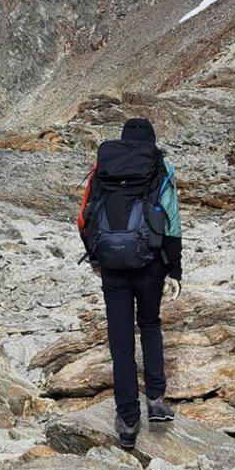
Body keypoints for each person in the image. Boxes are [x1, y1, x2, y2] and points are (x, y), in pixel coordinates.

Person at [77, 117, 182, 449]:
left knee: (120, 340)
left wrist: (96, 257)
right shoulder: (160, 166)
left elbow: (85, 216)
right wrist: (174, 269)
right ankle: (155, 400)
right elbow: (173, 222)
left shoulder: (103, 169)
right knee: (149, 325)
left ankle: (127, 420)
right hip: (150, 263)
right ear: (151, 140)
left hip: (112, 266)